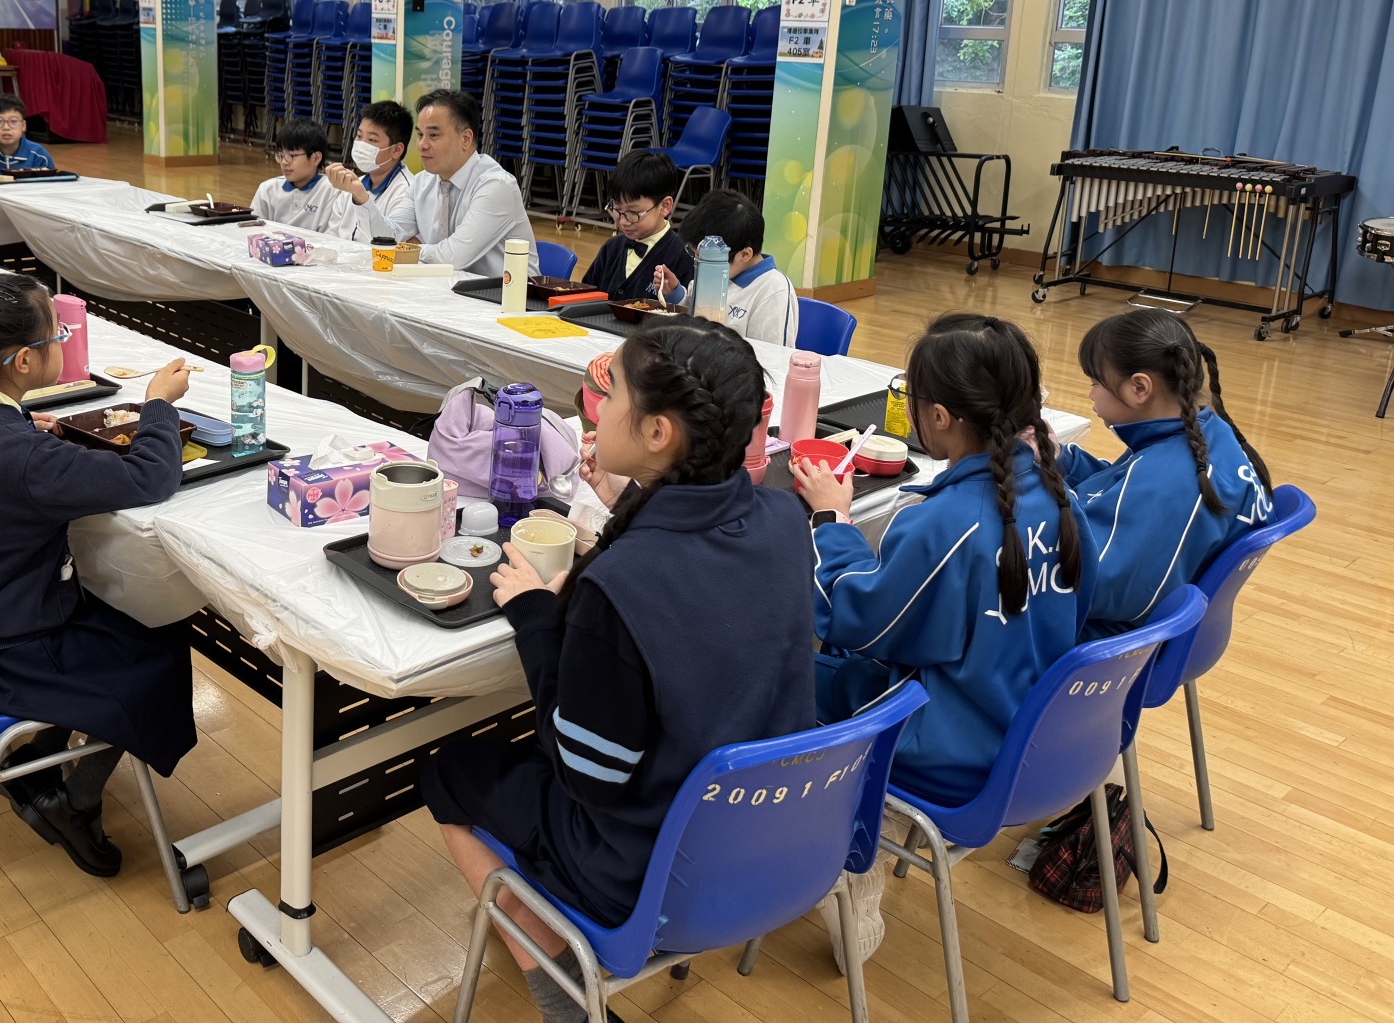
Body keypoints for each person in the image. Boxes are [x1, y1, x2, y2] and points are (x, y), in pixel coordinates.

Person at [422, 319, 815, 1021]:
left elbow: (586, 776)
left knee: (451, 769)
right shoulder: (787, 521)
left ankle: (560, 984)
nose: (597, 411)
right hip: (772, 838)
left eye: (614, 396)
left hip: (648, 870)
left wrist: (539, 616)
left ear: (659, 433)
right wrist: (628, 509)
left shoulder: (623, 584)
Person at [0, 274, 198, 876]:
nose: (65, 341)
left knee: (116, 624)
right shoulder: (20, 456)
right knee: (159, 651)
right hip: (6, 649)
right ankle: (75, 802)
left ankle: (36, 759)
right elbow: (150, 477)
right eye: (58, 334)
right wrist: (159, 405)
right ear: (25, 361)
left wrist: (22, 435)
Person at [798, 313, 1091, 807]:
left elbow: (851, 618)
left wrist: (831, 518)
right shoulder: (1063, 500)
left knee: (779, 673)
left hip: (952, 753)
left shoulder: (945, 523)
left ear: (938, 417)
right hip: (1036, 737)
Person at [1058, 310, 1275, 634]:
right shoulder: (1206, 434)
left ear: (1139, 388)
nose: (1091, 393)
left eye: (1096, 382)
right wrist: (1062, 460)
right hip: (1150, 622)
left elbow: (1089, 586)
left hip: (1105, 641)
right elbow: (1125, 490)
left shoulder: (1168, 482)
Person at [345, 90, 534, 277]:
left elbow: (454, 257)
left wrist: (410, 250)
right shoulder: (422, 182)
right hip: (447, 288)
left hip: (504, 293)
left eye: (433, 135)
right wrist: (362, 199)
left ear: (466, 139)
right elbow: (389, 237)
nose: (422, 145)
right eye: (420, 135)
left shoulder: (496, 186)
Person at [653, 189, 798, 346]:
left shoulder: (773, 291)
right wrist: (675, 293)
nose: (699, 264)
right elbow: (695, 320)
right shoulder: (716, 269)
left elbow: (771, 355)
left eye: (704, 259)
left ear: (744, 255)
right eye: (696, 255)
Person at [578, 150, 692, 303]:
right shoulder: (611, 248)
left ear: (665, 206)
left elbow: (687, 312)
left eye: (633, 213)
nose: (623, 221)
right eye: (617, 209)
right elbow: (584, 298)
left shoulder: (683, 256)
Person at [321, 99, 417, 241]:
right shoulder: (352, 185)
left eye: (372, 140)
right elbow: (332, 235)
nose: (361, 145)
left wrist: (361, 197)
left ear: (396, 150)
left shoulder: (407, 191)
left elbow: (390, 240)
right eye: (359, 136)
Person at [250, 120, 334, 229]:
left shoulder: (332, 191)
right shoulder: (267, 189)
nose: (284, 162)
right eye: (281, 155)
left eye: (292, 156)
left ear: (316, 158)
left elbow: (333, 236)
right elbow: (252, 229)